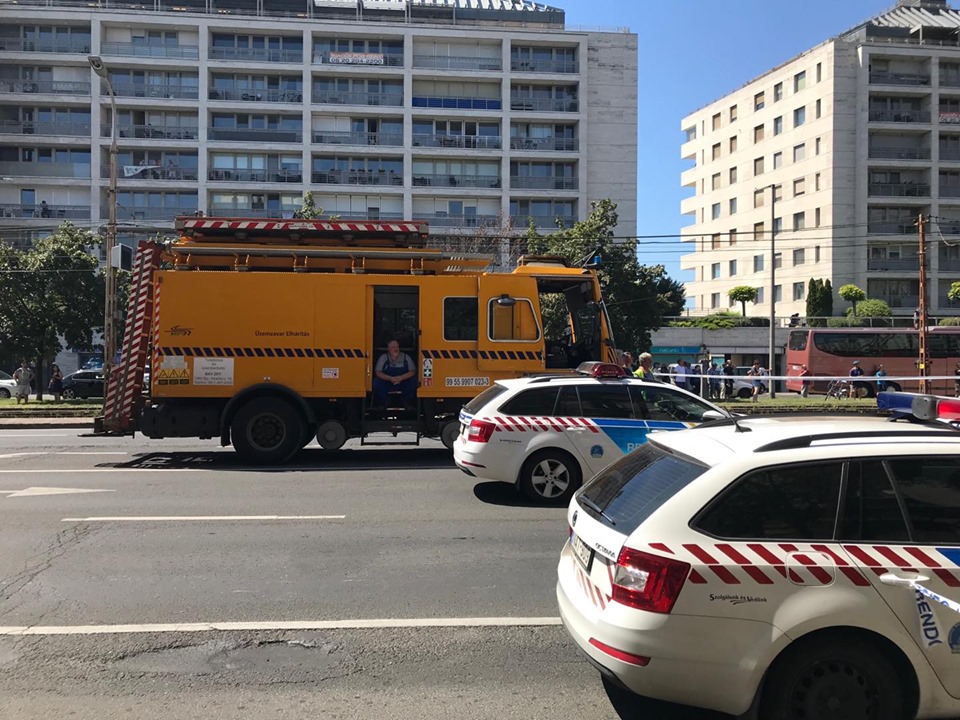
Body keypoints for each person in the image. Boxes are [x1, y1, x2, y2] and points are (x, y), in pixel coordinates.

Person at [372, 339, 416, 409]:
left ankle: (406, 402)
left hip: (402, 382)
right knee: (376, 382)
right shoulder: (383, 358)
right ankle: (385, 402)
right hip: (388, 382)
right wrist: (390, 378)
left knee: (413, 381)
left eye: (397, 347)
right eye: (393, 347)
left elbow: (412, 371)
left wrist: (401, 378)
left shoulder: (406, 357)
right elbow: (378, 372)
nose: (396, 349)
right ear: (388, 349)